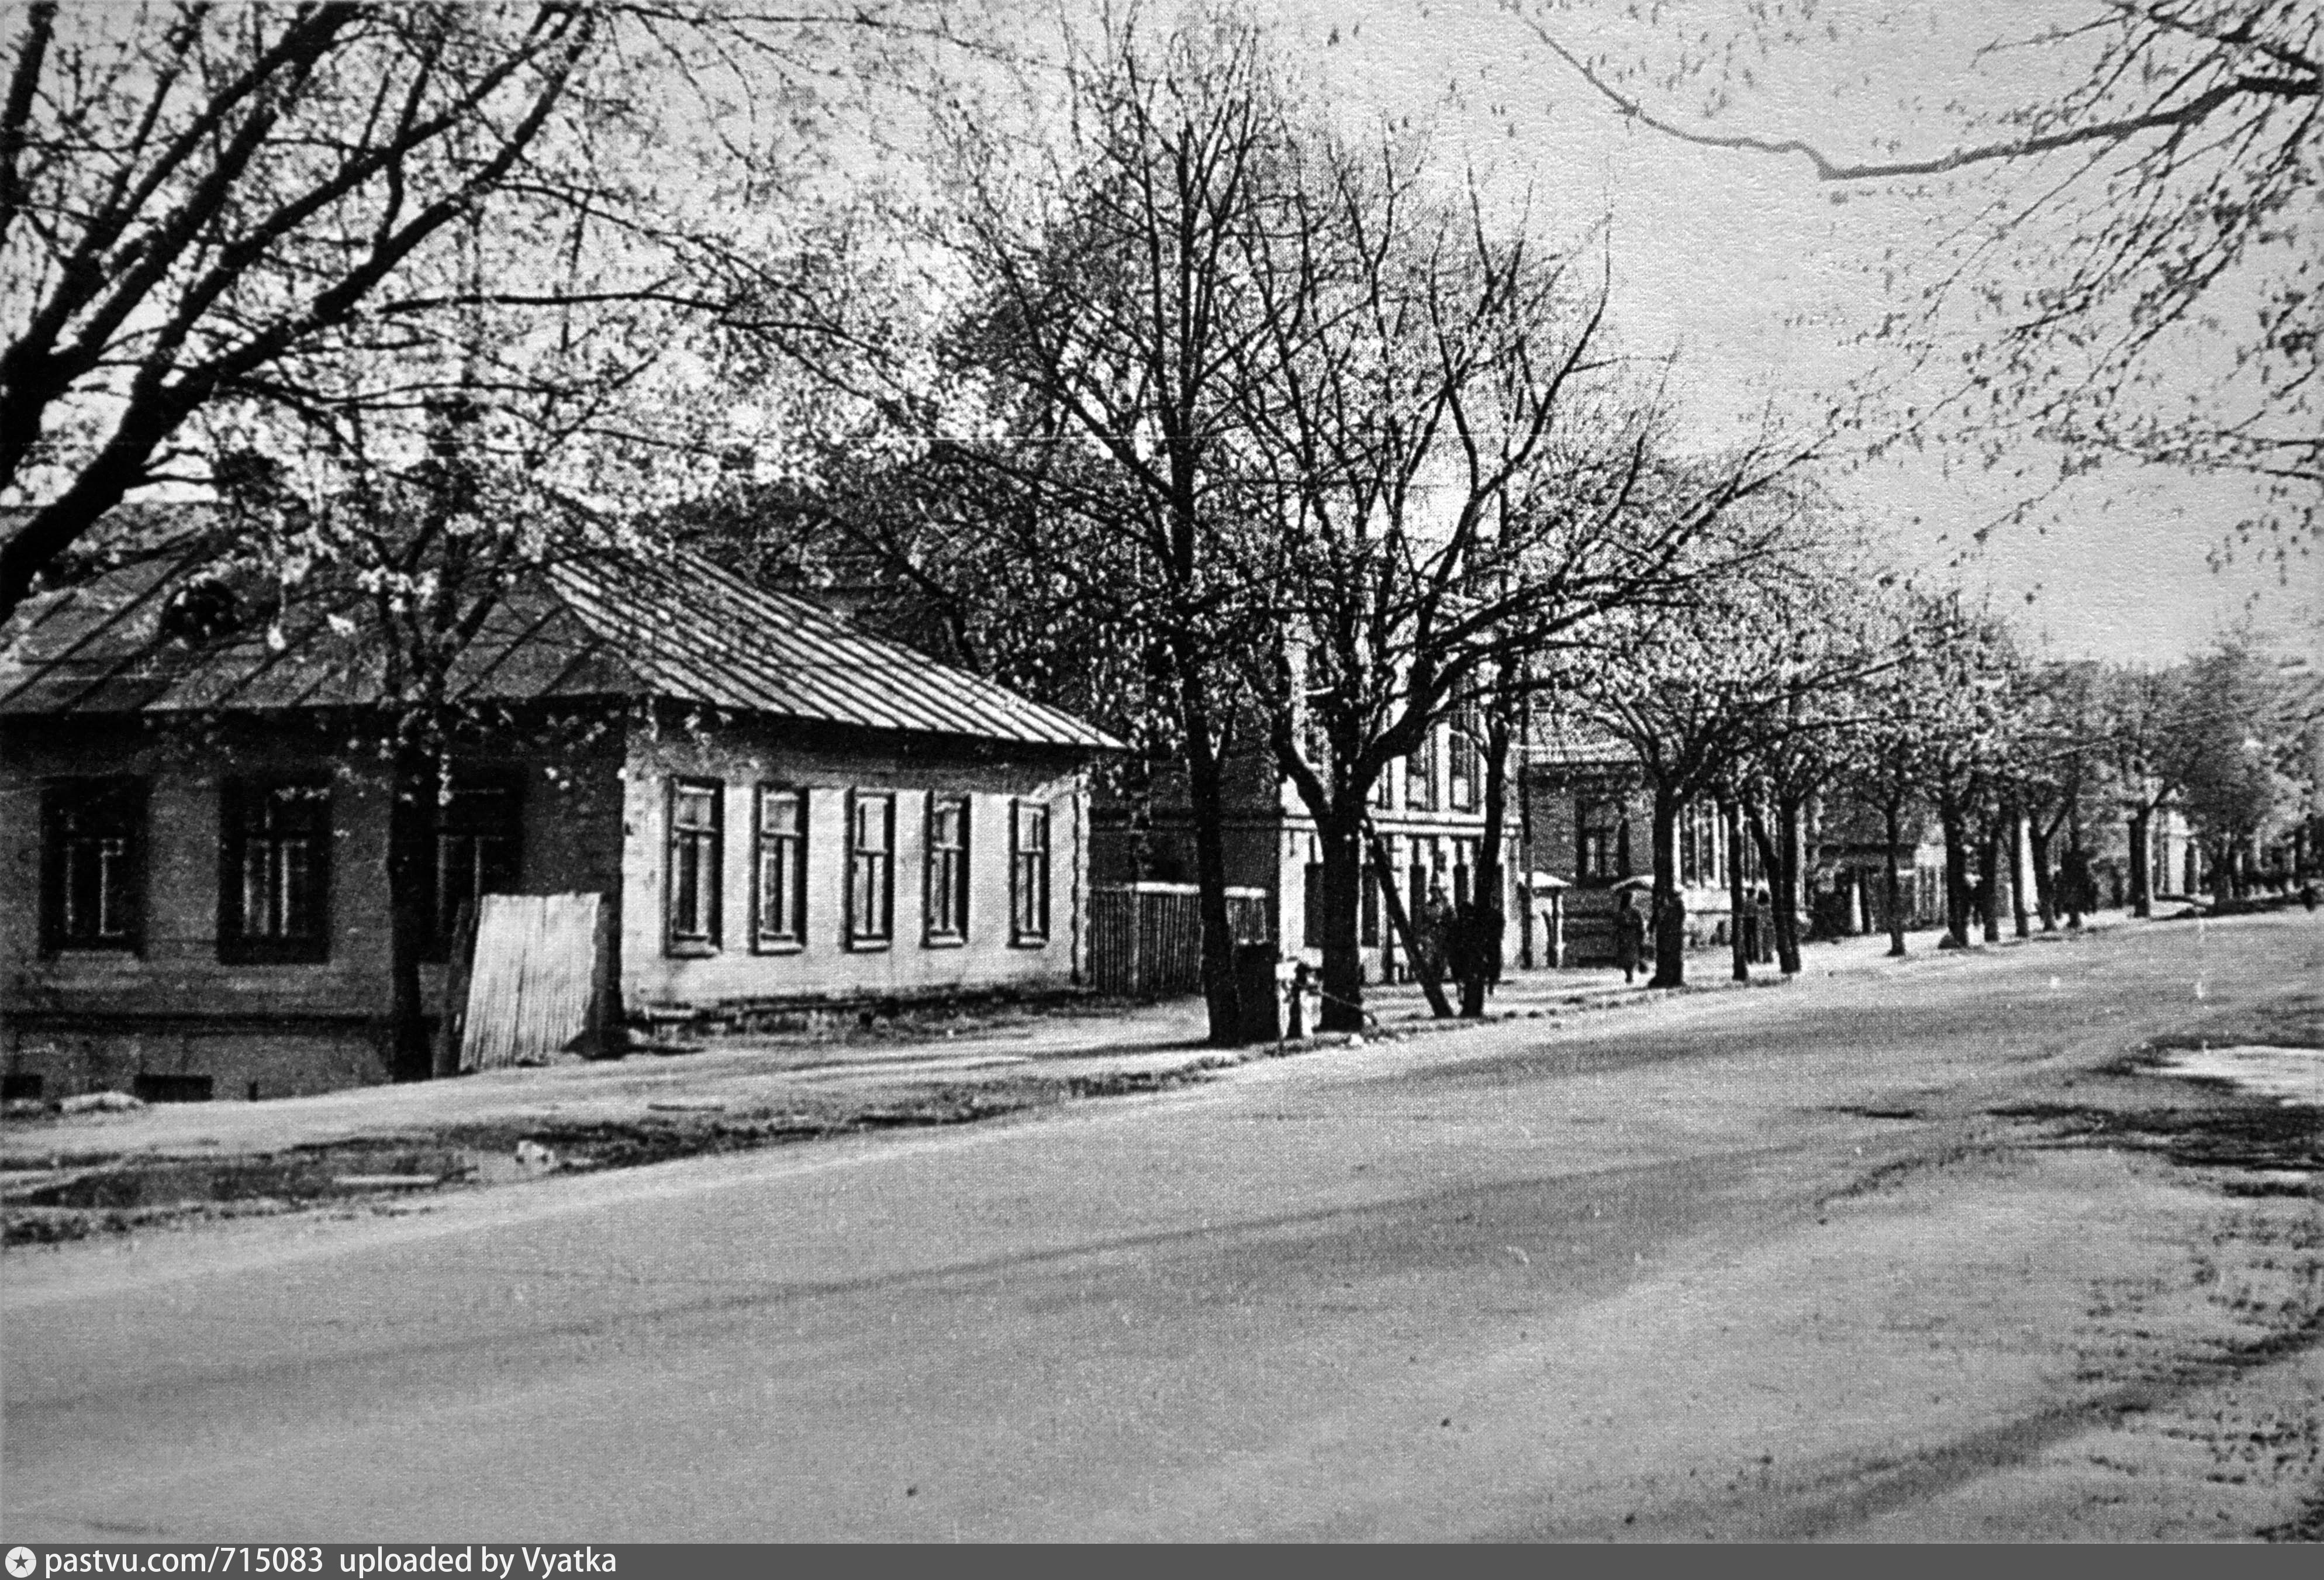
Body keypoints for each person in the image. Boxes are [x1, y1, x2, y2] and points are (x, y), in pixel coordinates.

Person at [1613, 888, 1645, 985]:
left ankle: (1630, 973)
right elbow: (1616, 924)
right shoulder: (1621, 912)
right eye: (1631, 899)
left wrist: (1641, 933)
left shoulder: (1635, 912)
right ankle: (1629, 973)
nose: (1632, 901)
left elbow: (1640, 923)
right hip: (1625, 936)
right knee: (1626, 956)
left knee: (1631, 956)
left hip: (1632, 936)